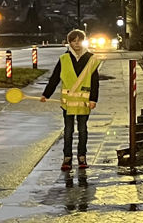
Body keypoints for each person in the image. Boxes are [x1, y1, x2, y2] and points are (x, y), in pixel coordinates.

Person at [41, 29, 100, 171]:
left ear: (83, 41)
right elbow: (54, 78)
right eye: (73, 41)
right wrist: (46, 95)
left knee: (82, 130)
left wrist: (93, 99)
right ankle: (67, 158)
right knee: (68, 131)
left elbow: (94, 81)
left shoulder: (91, 59)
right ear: (69, 42)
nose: (77, 43)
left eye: (79, 40)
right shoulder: (64, 59)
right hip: (67, 103)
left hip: (85, 103)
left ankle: (82, 157)